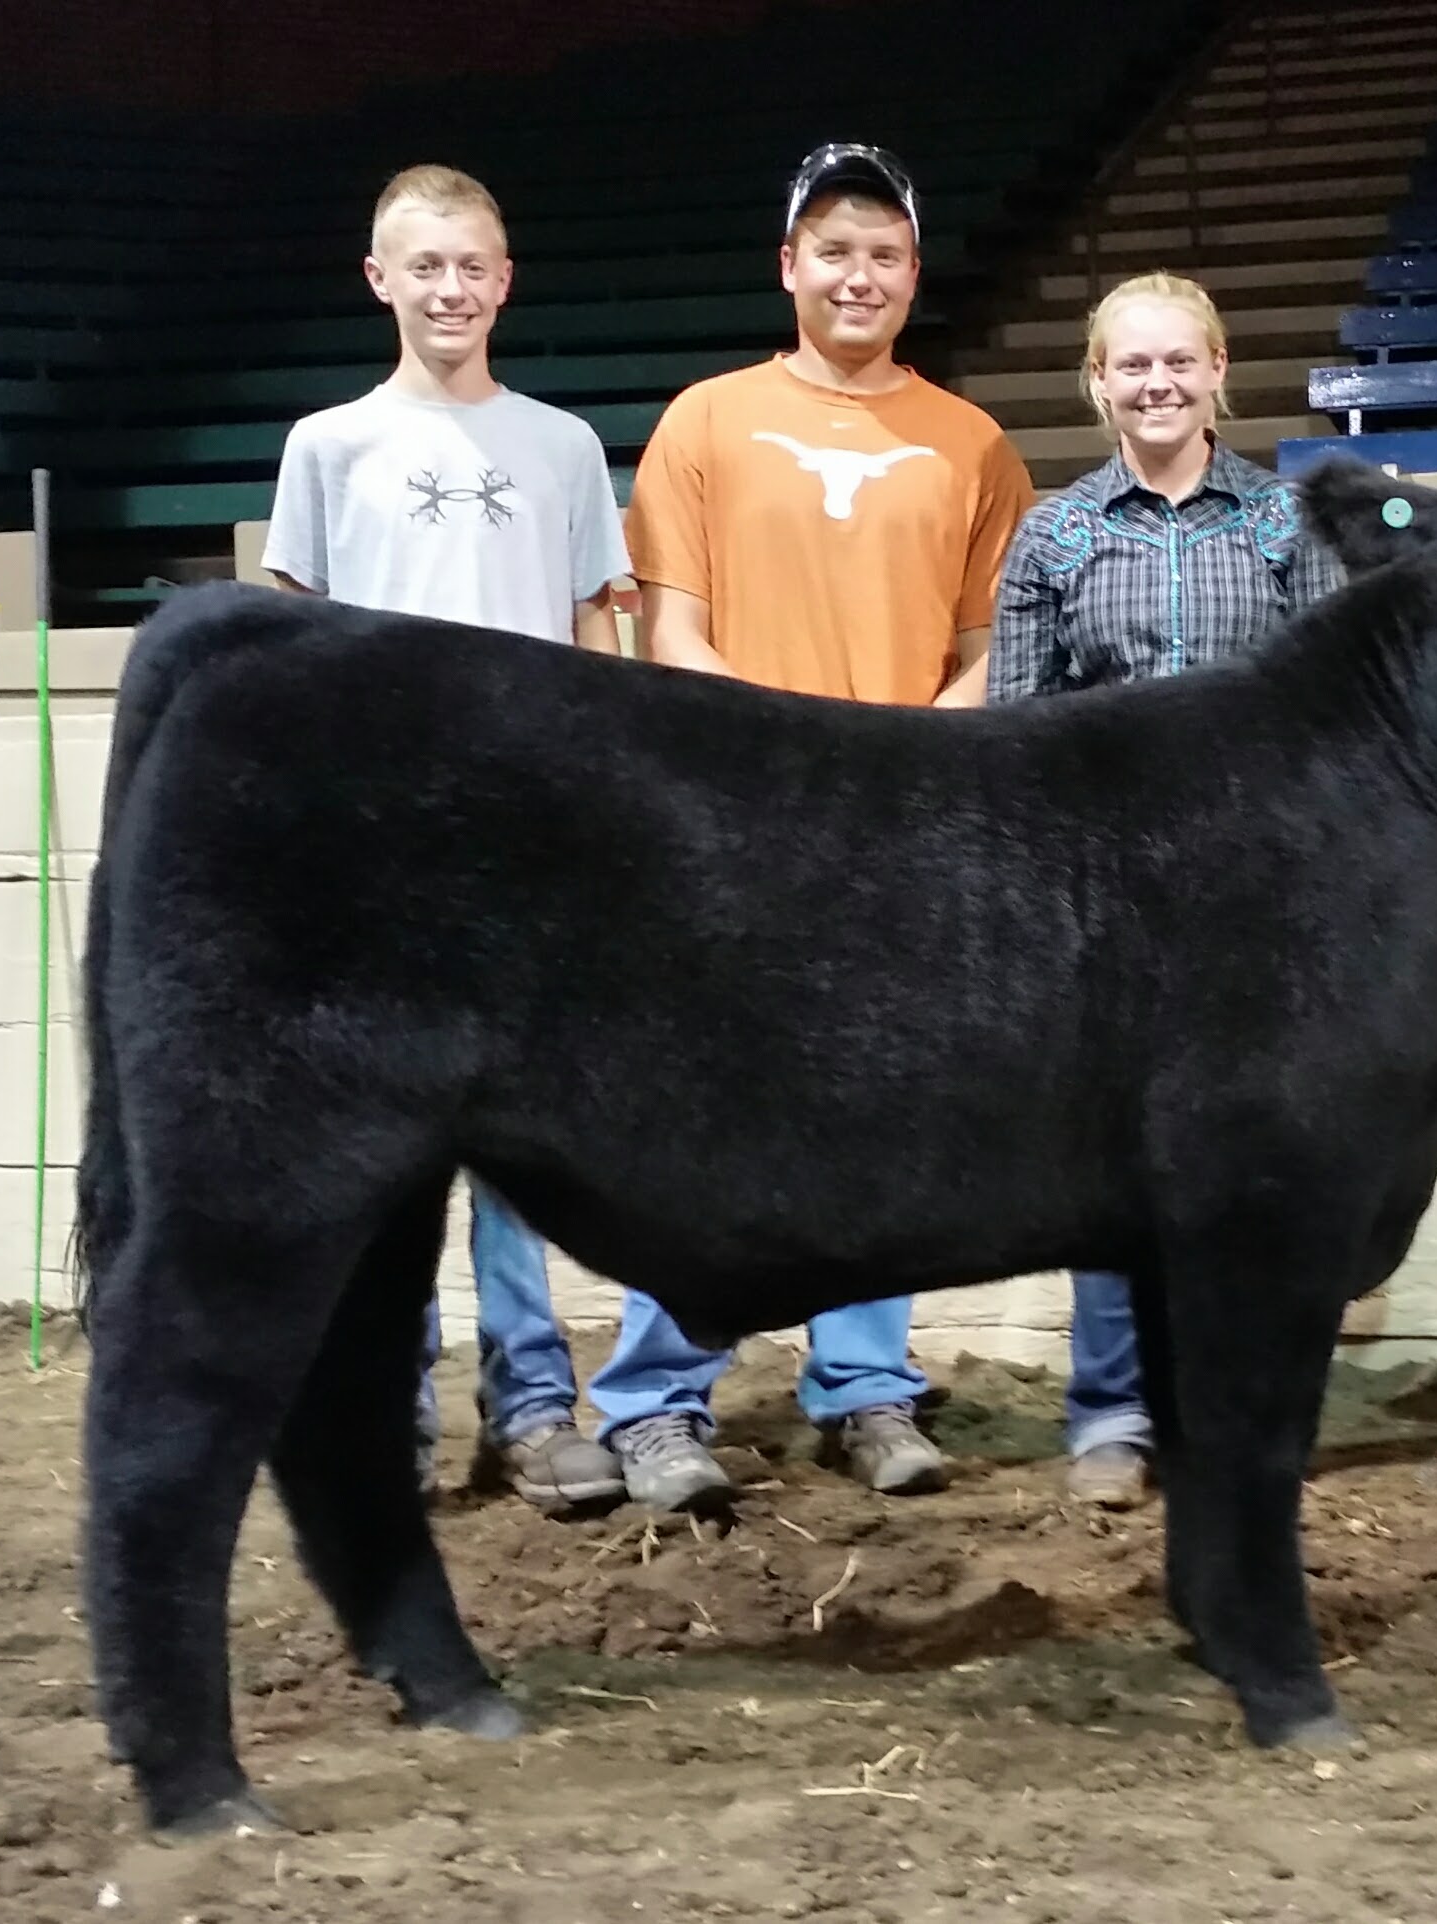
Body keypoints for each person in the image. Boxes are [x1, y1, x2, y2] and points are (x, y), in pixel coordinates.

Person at [592, 141, 1037, 1512]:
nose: (860, 274)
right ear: (789, 265)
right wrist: (791, 768)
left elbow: (987, 646)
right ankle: (655, 1401)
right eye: (833, 248)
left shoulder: (971, 444)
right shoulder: (705, 422)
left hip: (902, 827)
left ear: (913, 273)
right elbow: (673, 633)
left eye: (885, 252)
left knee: (885, 1117)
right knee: (703, 1120)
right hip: (737, 818)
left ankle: (865, 1391)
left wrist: (906, 764)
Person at [260, 164, 631, 1519]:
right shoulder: (327, 447)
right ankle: (384, 1404)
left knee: (521, 1140)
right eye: (425, 267)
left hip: (526, 847)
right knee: (378, 1148)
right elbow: (288, 649)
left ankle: (534, 1405)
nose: (451, 290)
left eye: (472, 265)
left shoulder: (563, 449)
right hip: (377, 851)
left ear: (505, 278)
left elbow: (600, 639)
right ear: (380, 280)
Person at [984, 271, 1344, 1508]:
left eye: (1177, 362)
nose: (1156, 383)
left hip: (1260, 898)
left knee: (1259, 1161)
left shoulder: (1290, 525)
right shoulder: (1055, 533)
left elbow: (1335, 719)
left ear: (1217, 370)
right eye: (1131, 365)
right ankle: (1112, 1414)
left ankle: (1230, 1410)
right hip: (1112, 902)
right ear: (1097, 382)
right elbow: (1017, 735)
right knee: (1113, 1164)